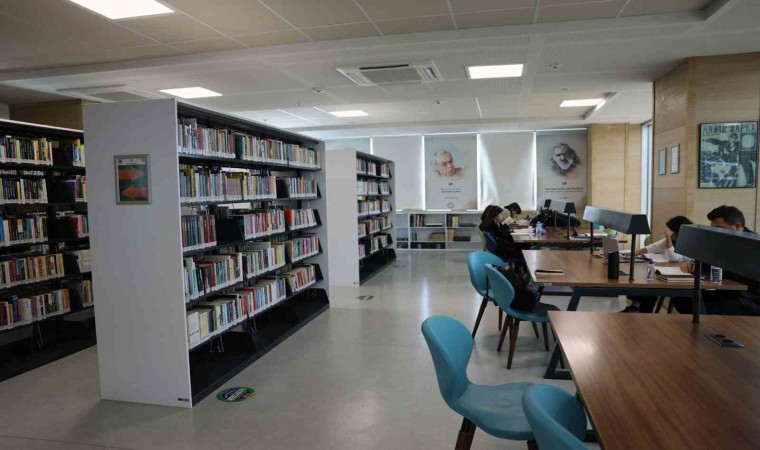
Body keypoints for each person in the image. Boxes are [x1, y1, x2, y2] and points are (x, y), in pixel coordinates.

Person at [672, 205, 760, 315]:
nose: (716, 232)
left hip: (749, 299)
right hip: (729, 291)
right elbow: (707, 261)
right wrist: (693, 263)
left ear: (737, 226)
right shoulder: (723, 241)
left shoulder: (754, 245)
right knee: (682, 300)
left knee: (700, 308)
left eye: (720, 228)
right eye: (713, 228)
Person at [622, 216, 694, 313]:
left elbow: (672, 258)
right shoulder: (672, 240)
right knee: (644, 280)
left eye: (670, 232)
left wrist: (668, 237)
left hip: (684, 280)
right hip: (671, 274)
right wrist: (632, 253)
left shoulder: (689, 242)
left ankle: (640, 311)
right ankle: (637, 308)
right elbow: (652, 247)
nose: (666, 233)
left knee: (649, 285)